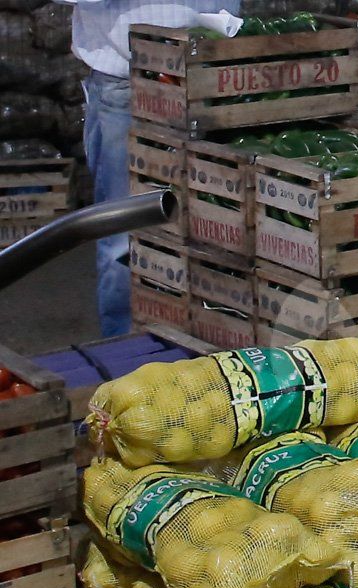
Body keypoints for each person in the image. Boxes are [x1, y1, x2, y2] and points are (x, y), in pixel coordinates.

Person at [65, 0, 240, 336]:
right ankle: (124, 362)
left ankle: (214, 361)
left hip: (219, 72)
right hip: (130, 81)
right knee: (123, 236)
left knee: (220, 223)